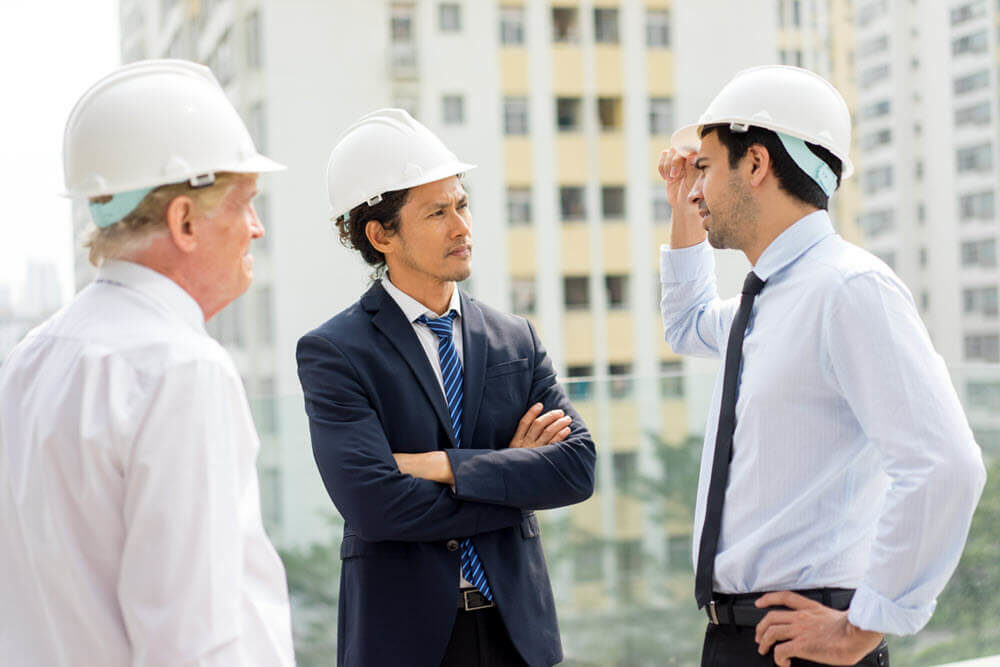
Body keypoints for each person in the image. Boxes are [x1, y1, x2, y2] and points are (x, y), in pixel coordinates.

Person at [658, 65, 986, 667]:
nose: (696, 188)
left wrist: (864, 626)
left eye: (704, 168)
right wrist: (681, 208)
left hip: (804, 642)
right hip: (739, 638)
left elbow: (945, 467)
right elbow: (686, 325)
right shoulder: (769, 300)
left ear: (756, 164)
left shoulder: (849, 289)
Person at [0, 60, 294, 666]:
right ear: (184, 221)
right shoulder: (181, 371)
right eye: (244, 205)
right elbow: (193, 645)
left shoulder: (28, 360)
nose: (257, 230)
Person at [296, 108, 596, 667]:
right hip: (403, 641)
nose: (462, 227)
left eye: (461, 204)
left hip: (519, 637)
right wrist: (512, 475)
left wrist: (445, 466)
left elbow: (577, 469)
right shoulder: (335, 352)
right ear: (381, 234)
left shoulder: (516, 339)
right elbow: (377, 507)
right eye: (437, 212)